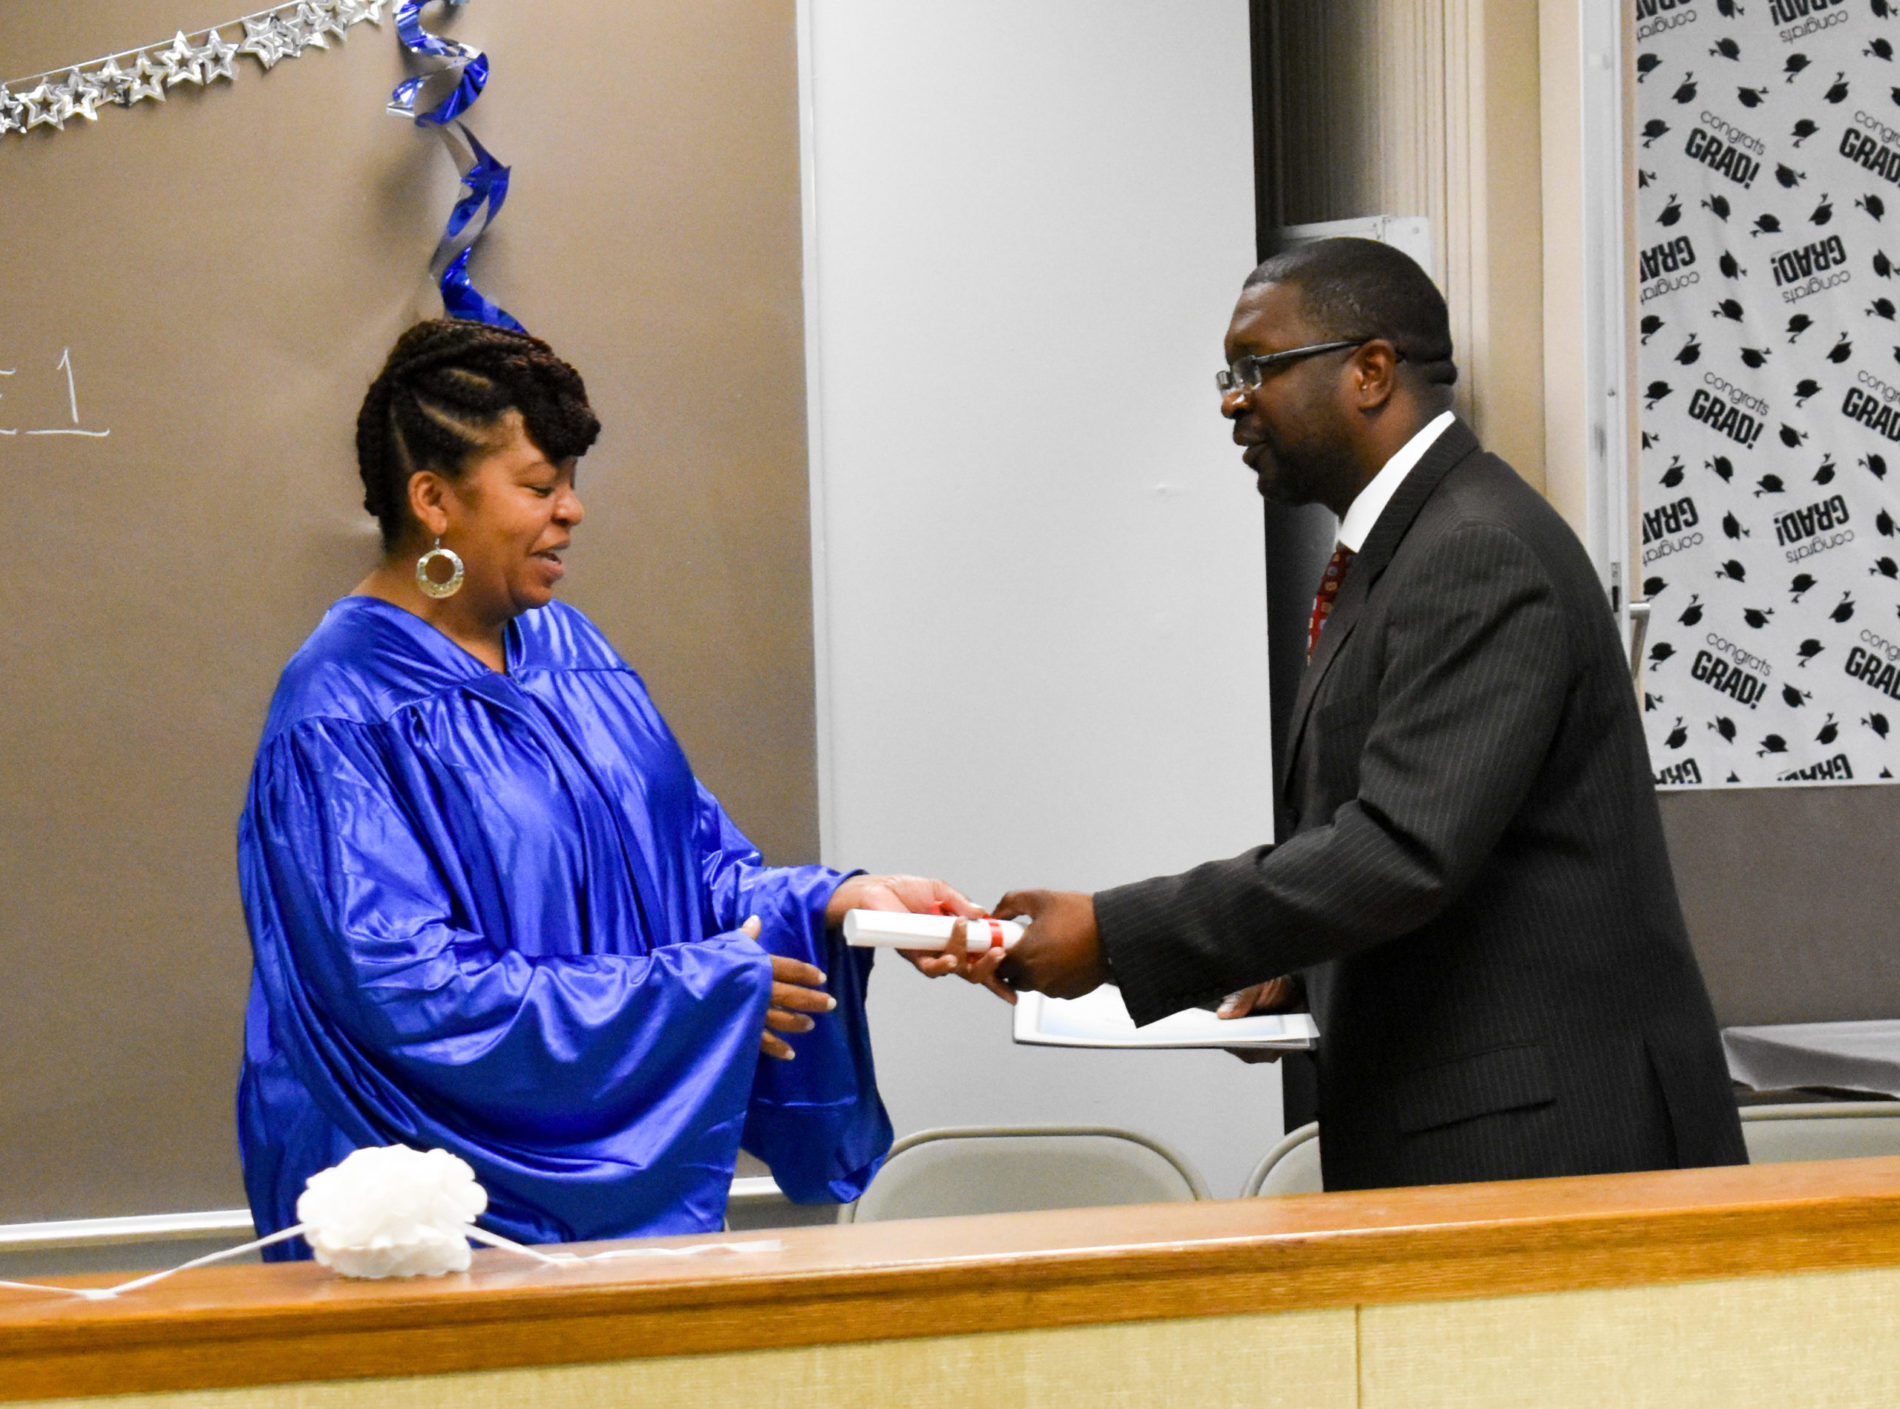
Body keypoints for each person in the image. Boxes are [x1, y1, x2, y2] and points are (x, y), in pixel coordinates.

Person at [987, 239, 1747, 1191]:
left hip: (1547, 1145)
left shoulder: (1476, 549)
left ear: (1371, 371)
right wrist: (1308, 966)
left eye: (1256, 367)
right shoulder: (1408, 546)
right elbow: (1454, 857)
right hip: (1484, 1128)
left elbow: (1402, 850)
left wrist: (1114, 933)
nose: (1233, 399)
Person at [237, 319, 981, 1255]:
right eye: (540, 487)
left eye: (572, 485)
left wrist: (836, 900)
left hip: (619, 1207)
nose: (573, 511)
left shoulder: (571, 653)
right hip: (431, 1221)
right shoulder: (339, 714)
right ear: (433, 499)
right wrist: (693, 994)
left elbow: (692, 876)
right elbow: (404, 989)